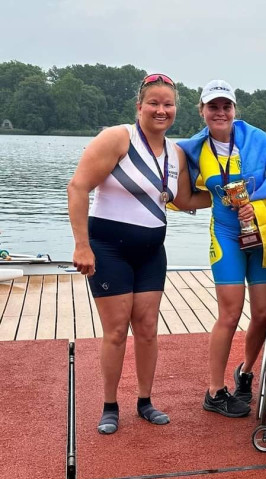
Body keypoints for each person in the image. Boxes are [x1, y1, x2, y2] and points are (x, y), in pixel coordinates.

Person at [67, 73, 211, 434]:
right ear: (139, 106)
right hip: (108, 251)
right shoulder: (118, 138)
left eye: (168, 104)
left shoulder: (176, 154)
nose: (161, 110)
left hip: (151, 254)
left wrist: (226, 195)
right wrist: (82, 245)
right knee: (116, 331)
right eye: (154, 103)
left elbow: (184, 199)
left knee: (147, 329)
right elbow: (78, 187)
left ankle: (145, 402)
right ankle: (109, 406)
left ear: (176, 109)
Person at [178, 80, 266, 418]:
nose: (220, 112)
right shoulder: (193, 150)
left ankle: (246, 372)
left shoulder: (260, 141)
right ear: (202, 111)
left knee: (262, 313)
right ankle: (215, 391)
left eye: (226, 106)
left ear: (234, 109)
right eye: (212, 106)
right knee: (229, 314)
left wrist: (255, 204)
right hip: (227, 235)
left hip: (261, 233)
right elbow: (185, 193)